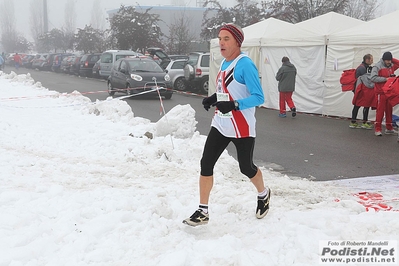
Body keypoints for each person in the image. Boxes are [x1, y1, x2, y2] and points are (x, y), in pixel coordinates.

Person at [182, 23, 270, 226]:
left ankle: (263, 194)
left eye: (226, 39)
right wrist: (213, 98)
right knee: (206, 163)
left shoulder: (245, 64)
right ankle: (202, 210)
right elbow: (226, 89)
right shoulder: (223, 63)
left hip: (242, 127)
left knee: (246, 168)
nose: (221, 42)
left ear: (237, 42)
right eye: (220, 38)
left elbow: (259, 97)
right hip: (221, 124)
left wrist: (234, 104)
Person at [370, 51, 399, 136]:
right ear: (383, 60)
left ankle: (389, 128)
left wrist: (391, 59)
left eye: (390, 60)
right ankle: (377, 129)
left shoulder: (391, 66)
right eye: (387, 60)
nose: (389, 62)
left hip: (389, 92)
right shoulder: (377, 66)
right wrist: (385, 79)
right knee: (380, 111)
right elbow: (373, 78)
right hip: (380, 92)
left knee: (389, 110)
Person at [349, 54, 374, 129]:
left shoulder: (363, 67)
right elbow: (366, 81)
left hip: (359, 89)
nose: (372, 61)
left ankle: (354, 122)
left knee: (358, 105)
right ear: (367, 60)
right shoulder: (362, 68)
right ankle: (363, 122)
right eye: (371, 60)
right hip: (361, 90)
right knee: (365, 105)